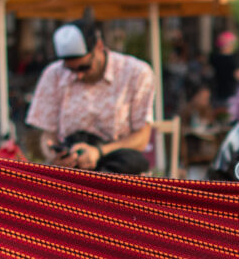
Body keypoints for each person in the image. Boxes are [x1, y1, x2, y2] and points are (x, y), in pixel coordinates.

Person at [25, 14, 156, 174]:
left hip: (116, 158)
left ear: (99, 46)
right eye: (71, 70)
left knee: (131, 162)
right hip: (72, 160)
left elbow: (141, 139)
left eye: (84, 67)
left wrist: (98, 152)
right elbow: (46, 135)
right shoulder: (53, 74)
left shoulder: (136, 72)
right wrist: (55, 155)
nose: (78, 76)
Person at [209, 28, 239, 105]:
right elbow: (238, 75)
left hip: (217, 93)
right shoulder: (232, 59)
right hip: (231, 94)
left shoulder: (214, 57)